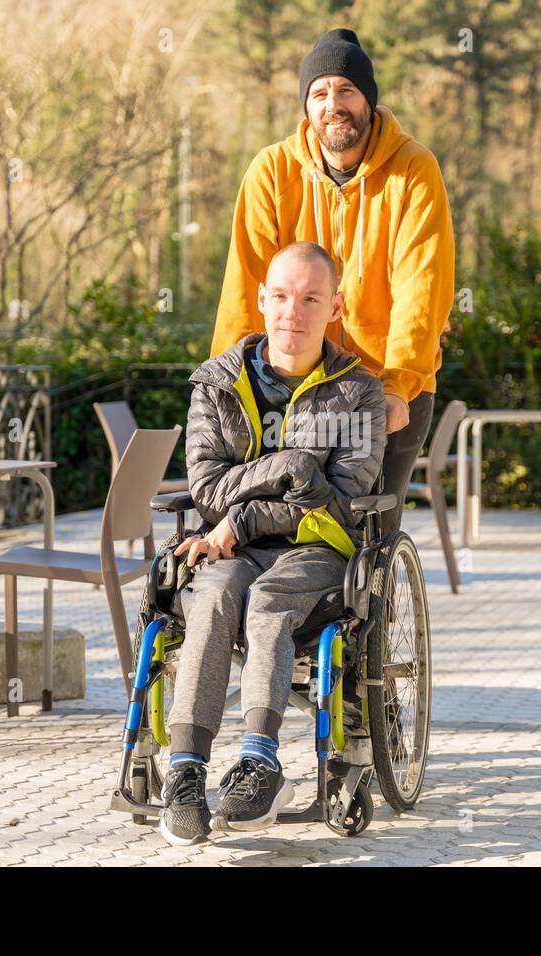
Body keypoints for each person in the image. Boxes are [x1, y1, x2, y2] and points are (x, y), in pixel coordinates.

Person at [159, 241, 387, 846]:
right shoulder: (216, 383)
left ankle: (260, 762)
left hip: (318, 550)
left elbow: (338, 501)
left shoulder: (359, 393)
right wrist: (290, 467)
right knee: (211, 598)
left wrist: (246, 517)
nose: (294, 311)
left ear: (335, 306)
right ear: (260, 299)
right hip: (232, 549)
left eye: (311, 298)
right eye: (281, 296)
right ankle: (185, 772)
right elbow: (207, 490)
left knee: (268, 603)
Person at [211, 27, 455, 535]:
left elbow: (422, 287)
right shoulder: (271, 172)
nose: (333, 104)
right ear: (307, 105)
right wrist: (225, 381)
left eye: (346, 90)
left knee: (369, 536)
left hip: (389, 383)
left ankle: (381, 613)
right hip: (294, 385)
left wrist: (397, 385)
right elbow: (244, 284)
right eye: (319, 93)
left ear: (368, 99)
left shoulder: (414, 169)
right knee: (283, 528)